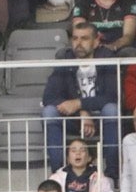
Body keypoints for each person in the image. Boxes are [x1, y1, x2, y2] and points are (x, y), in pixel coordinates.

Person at [42, 20, 122, 178]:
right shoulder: (65, 59)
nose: (78, 43)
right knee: (49, 112)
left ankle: (112, 174)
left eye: (84, 39)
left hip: (102, 118)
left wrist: (80, 103)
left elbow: (113, 96)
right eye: (75, 38)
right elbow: (49, 97)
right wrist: (82, 112)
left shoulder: (107, 58)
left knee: (112, 109)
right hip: (74, 119)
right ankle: (58, 174)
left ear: (96, 42)